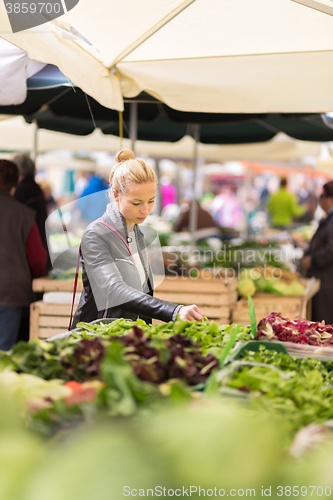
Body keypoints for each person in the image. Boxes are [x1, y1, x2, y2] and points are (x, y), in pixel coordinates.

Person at [72, 150, 204, 328]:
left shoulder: (136, 232)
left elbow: (141, 292)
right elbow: (113, 290)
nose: (145, 210)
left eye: (151, 201)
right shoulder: (96, 234)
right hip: (96, 335)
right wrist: (173, 311)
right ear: (117, 195)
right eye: (136, 203)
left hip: (126, 335)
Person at [0, 160, 47, 350]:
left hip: (11, 292)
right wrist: (34, 277)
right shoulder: (24, 214)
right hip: (12, 291)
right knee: (4, 352)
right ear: (15, 182)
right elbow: (37, 257)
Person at [300, 181, 333, 324]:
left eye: (322, 197)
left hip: (327, 281)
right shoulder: (329, 219)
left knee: (324, 323)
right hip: (324, 280)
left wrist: (313, 260)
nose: (320, 201)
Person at [11, 154, 48, 258]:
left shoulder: (22, 190)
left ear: (18, 171)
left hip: (30, 248)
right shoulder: (35, 188)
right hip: (39, 245)